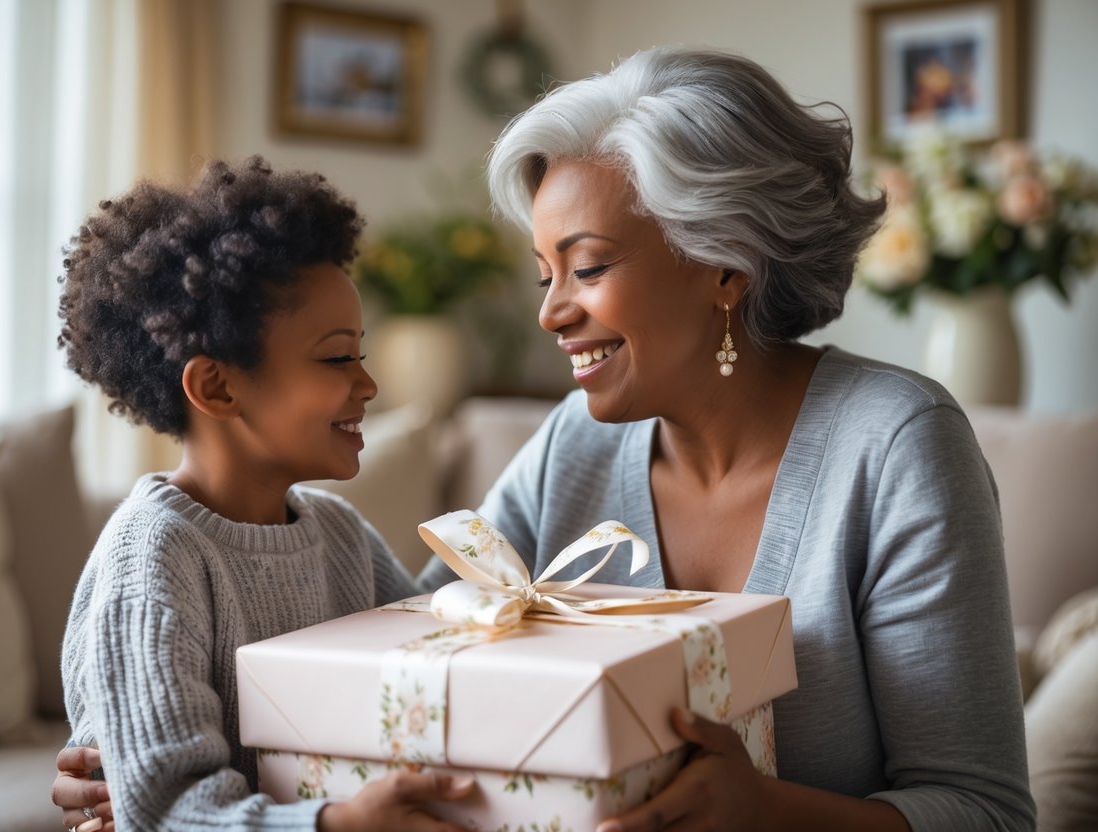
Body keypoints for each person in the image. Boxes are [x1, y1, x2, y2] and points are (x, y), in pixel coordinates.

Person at [54, 49, 1036, 831]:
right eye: (542, 275)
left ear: (724, 266)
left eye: (588, 266)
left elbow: (984, 811)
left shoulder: (899, 445)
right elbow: (410, 677)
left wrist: (764, 812)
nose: (550, 315)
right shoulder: (577, 441)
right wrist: (145, 776)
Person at [52, 156, 474, 832]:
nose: (366, 384)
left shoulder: (338, 534)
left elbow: (433, 674)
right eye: (338, 357)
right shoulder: (152, 562)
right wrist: (335, 823)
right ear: (217, 387)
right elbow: (165, 810)